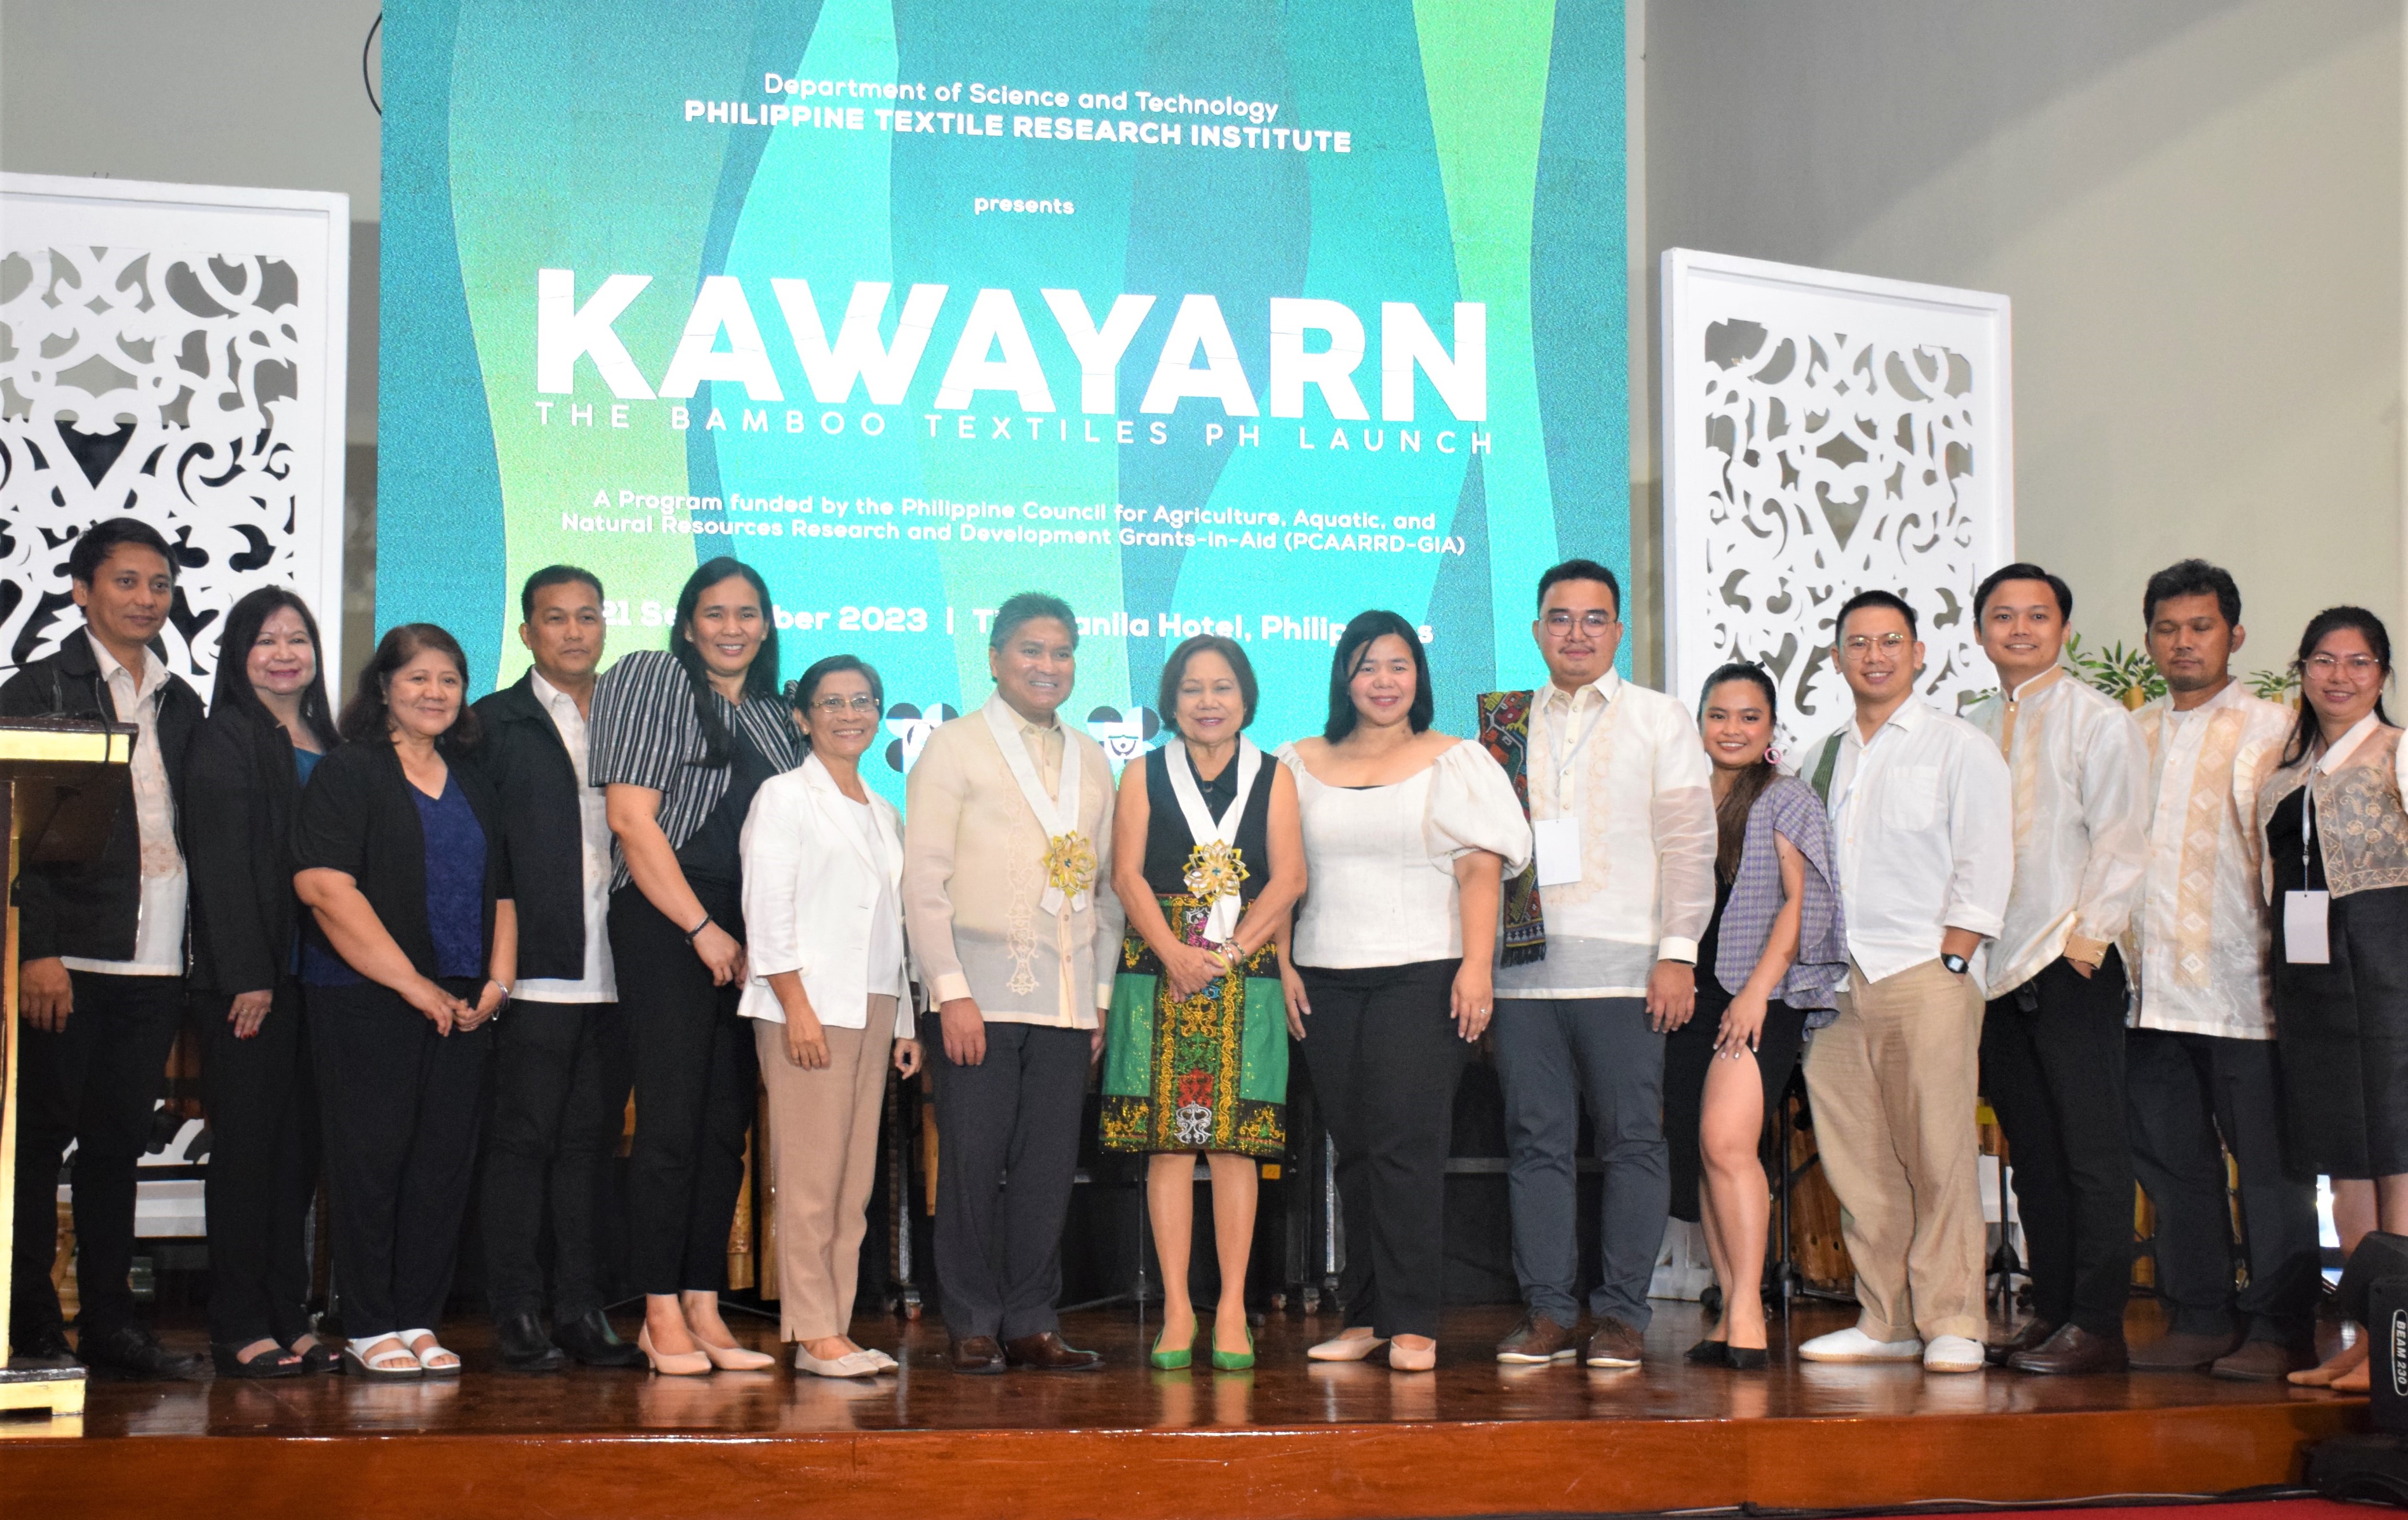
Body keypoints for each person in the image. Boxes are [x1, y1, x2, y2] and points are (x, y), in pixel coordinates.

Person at [1475, 560, 1716, 1371]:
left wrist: (1678, 953)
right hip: (1522, 976)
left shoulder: (1659, 718)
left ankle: (1620, 1315)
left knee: (1633, 1143)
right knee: (1534, 1143)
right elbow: (1474, 856)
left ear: (1618, 631)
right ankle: (1547, 1311)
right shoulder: (1503, 726)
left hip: (1627, 973)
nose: (1575, 632)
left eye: (1593, 618)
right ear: (1537, 629)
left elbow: (1689, 844)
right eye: (1560, 617)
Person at [1280, 610, 1531, 1373]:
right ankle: (1365, 1316)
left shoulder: (1454, 759)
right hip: (1323, 975)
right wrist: (1284, 965)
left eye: (1397, 665)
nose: (1383, 681)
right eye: (1366, 666)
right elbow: (1280, 878)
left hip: (1424, 973)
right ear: (1342, 677)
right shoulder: (1297, 761)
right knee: (1352, 1153)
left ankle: (1414, 1319)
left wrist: (1476, 967)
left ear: (1418, 675)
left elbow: (1480, 868)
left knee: (1406, 1149)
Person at [4, 517, 206, 1380]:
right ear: (83, 591)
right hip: (69, 960)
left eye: (158, 584)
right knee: (34, 1144)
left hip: (157, 959)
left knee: (117, 1146)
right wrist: (36, 949)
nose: (145, 599)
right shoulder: (36, 689)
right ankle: (29, 1324)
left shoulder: (183, 699)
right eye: (126, 582)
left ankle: (113, 1328)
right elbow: (13, 833)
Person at [1792, 589, 2012, 1375]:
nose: (1875, 654)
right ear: (1838, 657)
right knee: (1858, 1159)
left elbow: (1987, 860)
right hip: (1838, 982)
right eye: (1859, 642)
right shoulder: (1823, 753)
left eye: (1891, 640)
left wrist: (1954, 958)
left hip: (1925, 971)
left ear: (1919, 653)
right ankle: (1887, 1319)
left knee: (1940, 1150)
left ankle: (1954, 1316)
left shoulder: (1958, 746)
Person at [903, 593, 1125, 1374]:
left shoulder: (1095, 760)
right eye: (1031, 650)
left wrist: (1097, 999)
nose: (1047, 666)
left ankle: (1032, 1317)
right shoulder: (954, 748)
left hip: (1067, 999)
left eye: (1062, 652)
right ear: (995, 657)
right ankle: (970, 1317)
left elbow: (1108, 889)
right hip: (979, 996)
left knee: (1045, 1168)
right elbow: (923, 880)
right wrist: (948, 988)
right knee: (971, 1157)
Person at [590, 557, 798, 1375]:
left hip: (750, 930)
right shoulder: (652, 677)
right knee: (671, 1124)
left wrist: (753, 938)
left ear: (767, 625)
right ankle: (657, 1310)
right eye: (714, 613)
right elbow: (630, 820)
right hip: (666, 914)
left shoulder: (779, 720)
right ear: (686, 624)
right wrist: (703, 928)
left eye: (748, 613)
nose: (732, 628)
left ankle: (706, 1306)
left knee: (724, 1131)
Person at [294, 623, 515, 1379]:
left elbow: (505, 890)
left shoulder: (473, 778)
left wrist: (497, 983)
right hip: (366, 997)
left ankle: (418, 1319)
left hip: (463, 1004)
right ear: (383, 685)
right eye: (417, 678)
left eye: (448, 680)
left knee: (442, 1167)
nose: (434, 693)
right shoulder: (350, 772)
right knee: (372, 1161)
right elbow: (324, 887)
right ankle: (368, 1323)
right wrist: (414, 985)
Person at [2120, 561, 2319, 1381]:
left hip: (2252, 993)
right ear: (2150, 641)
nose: (2183, 642)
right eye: (2168, 629)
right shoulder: (2130, 736)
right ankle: (2199, 1316)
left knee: (2272, 1172)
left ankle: (2281, 1329)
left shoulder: (2281, 729)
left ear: (2234, 635)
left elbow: (2308, 859)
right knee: (2174, 1166)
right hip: (2148, 990)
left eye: (2200, 627)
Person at [1963, 563, 2150, 1375]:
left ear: (2064, 629)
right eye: (2003, 616)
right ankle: (2052, 1309)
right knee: (2031, 1152)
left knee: (2091, 1149)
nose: (2020, 629)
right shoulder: (1966, 725)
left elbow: (2122, 836)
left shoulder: (2099, 720)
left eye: (2037, 616)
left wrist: (2089, 941)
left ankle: (2098, 1321)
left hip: (2071, 959)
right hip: (1993, 969)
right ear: (1980, 633)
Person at [1103, 635, 1305, 1373]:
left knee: (1234, 1143)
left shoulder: (1276, 777)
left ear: (1246, 697)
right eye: (1193, 688)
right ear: (1171, 699)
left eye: (1223, 687)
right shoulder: (1141, 773)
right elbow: (1126, 876)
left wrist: (1223, 954)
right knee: (1167, 1143)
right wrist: (1175, 952)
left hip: (1240, 967)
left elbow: (1287, 880)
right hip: (1158, 968)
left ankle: (1229, 1309)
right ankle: (1177, 1308)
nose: (1208, 701)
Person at [470, 567, 644, 1372]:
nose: (575, 632)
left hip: (622, 965)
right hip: (534, 969)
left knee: (589, 1145)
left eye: (588, 617)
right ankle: (519, 1311)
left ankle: (582, 1308)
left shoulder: (633, 716)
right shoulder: (491, 724)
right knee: (522, 1144)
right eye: (555, 619)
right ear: (526, 632)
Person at [739, 655, 922, 1377]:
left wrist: (906, 1019)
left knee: (854, 1180)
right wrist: (796, 1006)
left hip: (873, 1002)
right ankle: (812, 1327)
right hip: (806, 1003)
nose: (850, 714)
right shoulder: (783, 797)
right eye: (832, 702)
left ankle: (835, 1326)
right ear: (802, 716)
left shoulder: (884, 811)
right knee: (812, 1176)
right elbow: (767, 908)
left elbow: (894, 926)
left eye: (863, 701)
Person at [1660, 664, 1847, 1370]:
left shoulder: (1787, 797)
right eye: (1719, 715)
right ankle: (1727, 1300)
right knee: (1703, 1154)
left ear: (1771, 728)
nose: (1732, 729)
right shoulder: (1683, 798)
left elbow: (1803, 904)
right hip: (1688, 993)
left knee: (1728, 1141)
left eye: (1749, 717)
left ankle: (1748, 1315)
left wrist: (1755, 993)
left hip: (1757, 993)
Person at [186, 586, 342, 1377]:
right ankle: (239, 1322)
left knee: (296, 1157)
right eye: (266, 639)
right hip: (253, 982)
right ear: (238, 654)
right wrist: (249, 972)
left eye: (299, 638)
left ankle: (291, 1313)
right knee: (248, 1154)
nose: (285, 653)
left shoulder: (328, 735)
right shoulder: (227, 737)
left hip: (325, 981)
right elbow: (221, 866)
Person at [2255, 607, 2408, 1393]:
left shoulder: (2399, 753)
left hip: (2390, 972)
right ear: (2302, 670)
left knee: (2399, 1155)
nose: (2338, 677)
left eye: (2358, 662)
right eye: (2323, 660)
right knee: (2343, 1161)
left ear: (2382, 674)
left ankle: (2400, 1342)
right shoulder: (2282, 776)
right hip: (2312, 984)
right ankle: (2365, 1340)